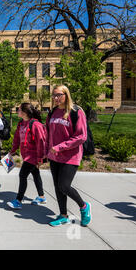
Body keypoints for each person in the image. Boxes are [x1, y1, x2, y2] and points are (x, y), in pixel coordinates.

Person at [46, 85, 92, 227]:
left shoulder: (76, 112)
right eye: (53, 95)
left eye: (58, 95)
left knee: (64, 186)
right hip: (54, 156)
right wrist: (45, 152)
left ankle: (84, 206)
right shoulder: (53, 112)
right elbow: (49, 134)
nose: (55, 98)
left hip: (70, 156)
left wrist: (60, 147)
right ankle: (63, 215)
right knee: (57, 186)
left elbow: (81, 136)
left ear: (66, 95)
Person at [7, 103, 47, 210]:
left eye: (19, 109)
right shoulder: (21, 123)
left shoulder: (35, 125)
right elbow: (16, 138)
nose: (17, 111)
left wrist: (40, 158)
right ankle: (42, 196)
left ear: (24, 112)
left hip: (33, 156)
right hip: (26, 155)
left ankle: (18, 201)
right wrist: (12, 150)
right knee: (35, 173)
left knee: (22, 175)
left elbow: (41, 142)